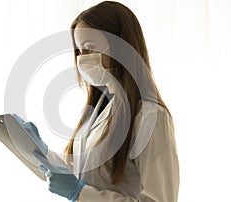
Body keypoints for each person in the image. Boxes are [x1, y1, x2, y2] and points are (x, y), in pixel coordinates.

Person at [27, 1, 179, 201]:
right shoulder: (98, 110)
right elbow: (83, 172)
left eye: (89, 49)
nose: (82, 60)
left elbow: (159, 200)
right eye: (79, 51)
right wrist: (40, 151)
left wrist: (79, 193)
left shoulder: (151, 117)